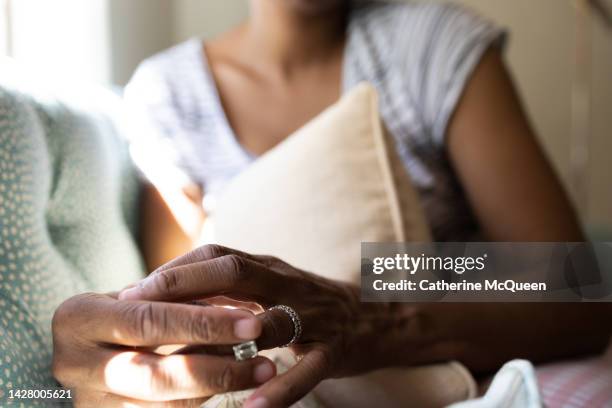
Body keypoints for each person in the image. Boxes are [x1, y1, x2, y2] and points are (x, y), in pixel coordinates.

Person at [51, 0, 612, 407]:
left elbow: (569, 285)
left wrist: (371, 300)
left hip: (468, 377)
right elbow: (187, 314)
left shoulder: (431, 46)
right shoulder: (168, 94)